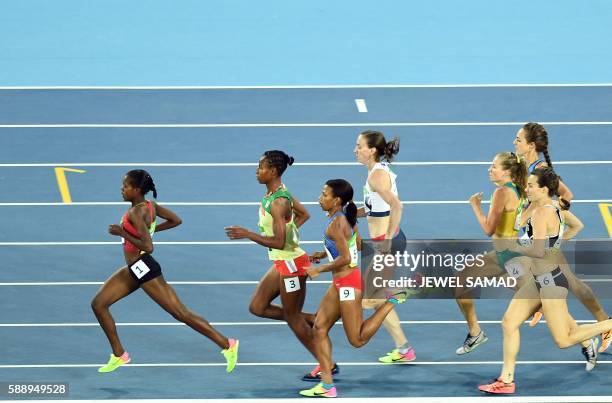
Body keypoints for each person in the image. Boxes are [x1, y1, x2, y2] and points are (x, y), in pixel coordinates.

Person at [478, 168, 612, 394]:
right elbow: (568, 227)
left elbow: (538, 251)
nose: (527, 188)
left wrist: (516, 247)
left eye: (531, 186)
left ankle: (608, 325)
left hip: (551, 282)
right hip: (539, 280)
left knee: (563, 340)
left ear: (543, 189)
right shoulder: (552, 207)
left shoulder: (542, 213)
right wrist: (555, 243)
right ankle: (507, 380)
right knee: (509, 322)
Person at [92, 170, 239, 373]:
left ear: (136, 190)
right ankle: (119, 355)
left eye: (125, 186)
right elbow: (175, 220)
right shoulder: (150, 206)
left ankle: (227, 344)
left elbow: (149, 246)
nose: (121, 189)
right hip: (135, 268)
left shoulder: (135, 212)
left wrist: (123, 232)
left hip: (143, 267)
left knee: (180, 312)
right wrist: (148, 230)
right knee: (99, 304)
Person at [299, 180, 408, 398]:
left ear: (336, 200)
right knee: (319, 328)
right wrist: (325, 253)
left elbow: (347, 258)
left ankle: (391, 301)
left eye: (324, 195)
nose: (319, 199)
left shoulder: (336, 223)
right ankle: (327, 386)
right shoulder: (344, 218)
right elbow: (356, 245)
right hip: (340, 283)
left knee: (357, 340)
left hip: (348, 285)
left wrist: (319, 269)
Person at [514, 123, 611, 352]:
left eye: (518, 139)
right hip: (535, 232)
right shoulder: (524, 165)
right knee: (566, 282)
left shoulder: (540, 167)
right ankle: (594, 328)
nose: (514, 142)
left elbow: (567, 195)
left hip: (544, 230)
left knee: (569, 283)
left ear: (531, 145)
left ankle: (602, 325)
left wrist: (553, 212)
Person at [225, 151, 320, 374]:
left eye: (261, 167)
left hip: (291, 266)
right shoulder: (276, 193)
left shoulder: (278, 202)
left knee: (293, 319)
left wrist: (248, 234)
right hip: (283, 262)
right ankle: (315, 318)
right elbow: (303, 214)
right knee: (257, 307)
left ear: (274, 171)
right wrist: (290, 231)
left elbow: (278, 242)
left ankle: (326, 363)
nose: (257, 171)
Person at [455, 152, 528, 354]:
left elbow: (488, 229)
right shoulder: (519, 188)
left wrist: (475, 206)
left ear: (506, 171)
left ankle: (475, 332)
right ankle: (585, 339)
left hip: (505, 256)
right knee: (539, 300)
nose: (490, 169)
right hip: (510, 253)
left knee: (461, 280)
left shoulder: (502, 193)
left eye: (494, 166)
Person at [353, 130, 416, 364]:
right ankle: (404, 348)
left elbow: (397, 205)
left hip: (386, 244)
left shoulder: (376, 176)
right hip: (381, 243)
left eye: (359, 146)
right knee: (376, 299)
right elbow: (375, 207)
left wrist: (387, 239)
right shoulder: (374, 172)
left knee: (368, 300)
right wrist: (351, 213)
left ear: (372, 150)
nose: (355, 150)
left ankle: (402, 291)